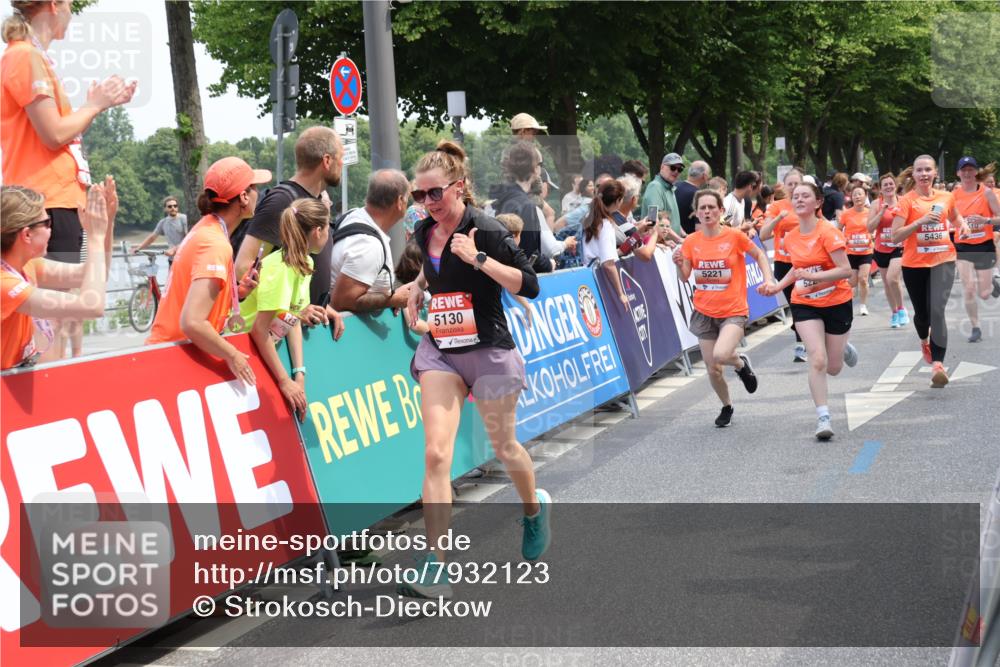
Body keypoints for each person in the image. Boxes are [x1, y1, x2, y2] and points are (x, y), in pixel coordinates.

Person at [399, 141, 547, 600]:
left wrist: (478, 259)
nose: (428, 204)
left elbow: (531, 284)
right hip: (442, 350)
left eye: (435, 194)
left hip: (488, 351)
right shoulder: (425, 232)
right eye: (420, 197)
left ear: (459, 187)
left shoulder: (487, 229)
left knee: (504, 447)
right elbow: (432, 268)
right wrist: (418, 286)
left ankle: (532, 510)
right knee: (436, 455)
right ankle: (436, 563)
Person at [1, 1, 135, 267]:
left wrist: (97, 106)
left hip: (53, 201)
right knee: (60, 304)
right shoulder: (25, 56)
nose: (72, 14)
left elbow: (62, 133)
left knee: (65, 300)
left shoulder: (30, 57)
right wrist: (94, 104)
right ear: (54, 5)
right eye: (71, 5)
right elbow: (53, 134)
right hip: (46, 201)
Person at [146, 157, 271, 387]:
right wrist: (233, 355)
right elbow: (192, 321)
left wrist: (238, 291)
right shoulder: (215, 243)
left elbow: (195, 297)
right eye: (254, 188)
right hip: (174, 361)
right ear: (243, 197)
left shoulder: (206, 227)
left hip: (170, 354)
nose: (258, 193)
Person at [673, 189, 776, 426]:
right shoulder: (691, 241)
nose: (707, 211)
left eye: (712, 207)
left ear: (721, 211)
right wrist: (679, 264)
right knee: (713, 369)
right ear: (696, 213)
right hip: (704, 311)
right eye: (702, 208)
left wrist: (768, 279)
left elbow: (759, 254)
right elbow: (684, 276)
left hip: (733, 309)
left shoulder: (733, 236)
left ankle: (740, 364)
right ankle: (727, 406)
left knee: (721, 355)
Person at [764, 182, 858, 440]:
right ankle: (823, 417)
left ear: (818, 203)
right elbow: (797, 268)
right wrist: (778, 286)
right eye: (795, 196)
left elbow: (845, 270)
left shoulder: (828, 232)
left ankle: (842, 347)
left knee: (834, 367)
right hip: (804, 302)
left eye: (806, 195)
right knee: (817, 359)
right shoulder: (791, 235)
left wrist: (815, 277)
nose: (799, 199)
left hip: (837, 300)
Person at [233, 126, 345, 335]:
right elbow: (243, 268)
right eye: (341, 157)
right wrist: (296, 310)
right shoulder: (282, 200)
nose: (342, 164)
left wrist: (321, 305)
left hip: (304, 331)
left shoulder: (317, 200)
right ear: (327, 161)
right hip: (275, 337)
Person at [1, 183, 113, 370]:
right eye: (47, 223)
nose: (51, 229)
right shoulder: (5, 284)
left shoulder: (27, 264)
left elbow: (96, 273)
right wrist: (94, 237)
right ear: (27, 235)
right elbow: (92, 306)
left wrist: (106, 226)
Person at [239, 199, 329, 421]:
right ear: (318, 231)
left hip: (266, 347)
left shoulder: (305, 262)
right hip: (244, 349)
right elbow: (259, 331)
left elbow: (292, 318)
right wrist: (283, 381)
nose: (329, 234)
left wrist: (299, 374)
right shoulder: (279, 269)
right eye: (328, 227)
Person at [891, 155, 970, 388]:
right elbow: (896, 236)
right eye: (919, 170)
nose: (924, 174)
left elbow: (955, 218)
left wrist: (962, 226)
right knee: (922, 315)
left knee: (937, 311)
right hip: (914, 265)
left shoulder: (947, 197)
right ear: (913, 174)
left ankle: (938, 365)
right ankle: (924, 340)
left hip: (943, 261)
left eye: (928, 170)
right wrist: (920, 222)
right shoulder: (906, 201)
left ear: (935, 173)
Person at [329, 169, 411, 313]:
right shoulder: (368, 245)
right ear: (399, 201)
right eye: (407, 198)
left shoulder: (353, 215)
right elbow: (342, 301)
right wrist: (394, 299)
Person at [489, 141, 574, 273]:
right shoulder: (526, 206)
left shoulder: (495, 202)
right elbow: (529, 257)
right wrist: (549, 264)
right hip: (516, 282)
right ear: (535, 169)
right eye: (540, 164)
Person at [759, 168, 808, 362]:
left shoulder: (809, 204)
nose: (794, 188)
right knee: (795, 303)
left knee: (805, 303)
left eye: (797, 184)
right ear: (785, 187)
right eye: (790, 184)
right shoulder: (777, 206)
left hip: (807, 263)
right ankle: (801, 342)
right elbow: (763, 235)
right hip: (784, 263)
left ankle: (804, 339)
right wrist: (779, 218)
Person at [950, 156, 1000, 343]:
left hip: (984, 246)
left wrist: (985, 221)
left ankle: (992, 286)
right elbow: (946, 218)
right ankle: (975, 327)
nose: (967, 173)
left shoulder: (987, 193)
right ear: (958, 173)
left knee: (984, 294)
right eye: (964, 170)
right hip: (963, 246)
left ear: (976, 172)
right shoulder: (953, 196)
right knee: (969, 288)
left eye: (971, 169)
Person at [866, 172, 908, 328]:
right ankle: (894, 313)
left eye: (891, 184)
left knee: (892, 278)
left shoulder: (904, 202)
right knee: (886, 283)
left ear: (895, 186)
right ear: (881, 189)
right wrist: (881, 213)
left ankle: (902, 308)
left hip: (899, 247)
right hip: (881, 248)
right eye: (885, 185)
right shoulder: (876, 204)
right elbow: (869, 227)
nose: (889, 186)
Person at [583, 179, 632, 309]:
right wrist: (621, 293)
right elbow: (608, 264)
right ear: (617, 201)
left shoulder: (590, 216)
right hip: (594, 280)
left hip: (584, 275)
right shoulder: (605, 225)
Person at [838, 185, 874, 316]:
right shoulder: (846, 214)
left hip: (866, 251)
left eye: (860, 194)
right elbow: (838, 230)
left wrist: (873, 234)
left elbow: (875, 227)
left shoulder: (870, 212)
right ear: (851, 198)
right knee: (852, 282)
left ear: (865, 196)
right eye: (855, 194)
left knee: (863, 279)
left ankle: (863, 305)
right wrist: (843, 239)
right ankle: (846, 304)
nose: (857, 196)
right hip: (851, 252)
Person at [133, 195, 188, 263]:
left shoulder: (184, 219)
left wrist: (174, 249)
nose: (173, 208)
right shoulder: (163, 222)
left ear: (178, 207)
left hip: (185, 257)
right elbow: (152, 238)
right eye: (170, 206)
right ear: (165, 209)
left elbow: (188, 239)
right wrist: (138, 249)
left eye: (175, 206)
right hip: (172, 259)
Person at [641, 153, 684, 238]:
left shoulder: (670, 188)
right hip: (660, 246)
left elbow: (674, 220)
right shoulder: (655, 187)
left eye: (679, 169)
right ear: (662, 167)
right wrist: (678, 239)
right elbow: (653, 220)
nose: (676, 171)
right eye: (673, 167)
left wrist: (684, 235)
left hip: (671, 245)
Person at [676, 161, 712, 235]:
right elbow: (699, 228)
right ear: (704, 176)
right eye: (709, 174)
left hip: (671, 238)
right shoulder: (699, 195)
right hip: (689, 239)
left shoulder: (674, 186)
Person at [723, 170, 761, 236]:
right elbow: (721, 227)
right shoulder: (730, 204)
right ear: (749, 186)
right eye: (753, 186)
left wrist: (748, 228)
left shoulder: (742, 200)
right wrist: (742, 229)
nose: (753, 189)